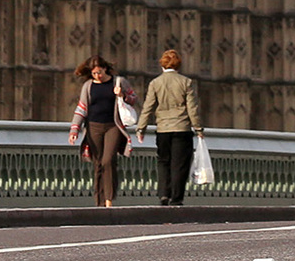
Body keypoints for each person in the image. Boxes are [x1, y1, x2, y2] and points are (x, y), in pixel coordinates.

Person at [67, 56, 136, 207]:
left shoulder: (118, 82)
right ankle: (99, 202)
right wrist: (74, 129)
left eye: (99, 72)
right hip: (93, 126)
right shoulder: (88, 86)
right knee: (98, 164)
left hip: (113, 126)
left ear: (105, 68)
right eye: (94, 73)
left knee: (108, 160)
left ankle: (109, 199)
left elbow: (133, 98)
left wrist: (122, 95)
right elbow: (82, 108)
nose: (97, 76)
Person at [137, 48, 202, 205]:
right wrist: (198, 128)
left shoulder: (155, 83)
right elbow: (192, 108)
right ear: (178, 65)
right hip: (181, 128)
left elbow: (148, 107)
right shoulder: (186, 82)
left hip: (163, 129)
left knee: (163, 161)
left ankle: (163, 194)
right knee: (179, 164)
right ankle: (176, 197)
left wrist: (141, 128)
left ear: (162, 66)